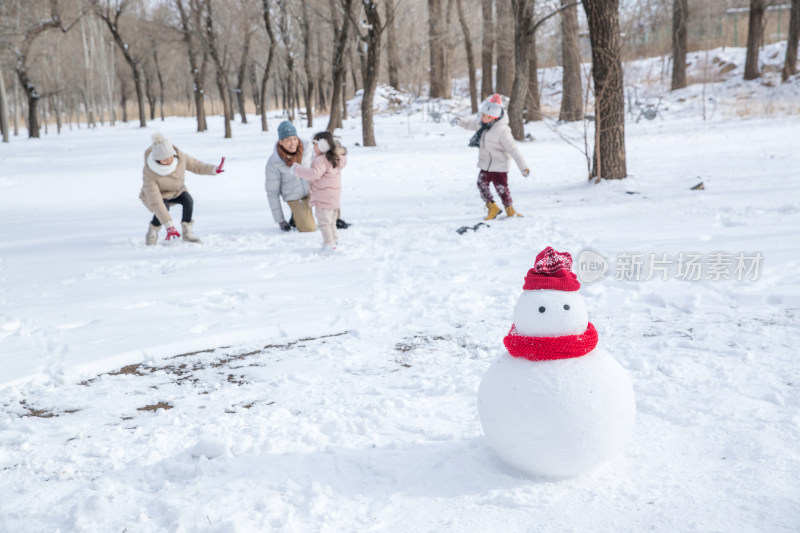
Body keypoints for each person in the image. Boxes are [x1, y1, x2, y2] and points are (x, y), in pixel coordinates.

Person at [451, 94, 530, 220]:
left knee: (501, 189)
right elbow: (469, 124)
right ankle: (492, 207)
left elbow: (513, 150)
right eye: (482, 114)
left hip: (500, 165)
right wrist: (460, 121)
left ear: (493, 117)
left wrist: (523, 168)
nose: (481, 117)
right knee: (481, 183)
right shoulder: (481, 123)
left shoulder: (503, 131)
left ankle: (509, 209)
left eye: (485, 116)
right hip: (485, 164)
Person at [140, 133, 225, 245]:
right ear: (157, 160)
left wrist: (213, 169)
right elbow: (156, 202)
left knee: (188, 200)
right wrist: (169, 226)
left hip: (177, 191)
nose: (169, 161)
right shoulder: (150, 172)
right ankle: (153, 231)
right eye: (164, 160)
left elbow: (196, 166)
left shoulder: (180, 158)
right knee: (163, 207)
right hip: (157, 196)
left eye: (170, 157)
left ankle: (187, 233)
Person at [291, 131, 347, 254]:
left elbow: (314, 174)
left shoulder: (321, 159)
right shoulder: (335, 158)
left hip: (323, 197)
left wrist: (297, 170)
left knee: (323, 222)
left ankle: (329, 245)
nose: (313, 147)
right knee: (331, 220)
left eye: (315, 144)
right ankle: (334, 240)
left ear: (323, 145)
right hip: (334, 197)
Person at [265, 121, 317, 233]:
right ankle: (297, 215)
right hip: (295, 198)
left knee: (330, 192)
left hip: (313, 192)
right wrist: (280, 220)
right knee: (309, 228)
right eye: (288, 140)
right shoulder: (274, 162)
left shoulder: (309, 149)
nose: (293, 143)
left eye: (294, 138)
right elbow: (272, 193)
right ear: (281, 142)